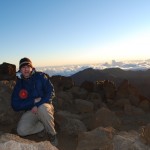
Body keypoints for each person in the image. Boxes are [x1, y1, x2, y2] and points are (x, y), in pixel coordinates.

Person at [11, 57, 58, 146]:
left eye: (28, 66)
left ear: (32, 68)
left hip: (45, 107)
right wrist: (33, 102)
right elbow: (15, 105)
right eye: (23, 67)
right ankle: (43, 126)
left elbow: (51, 92)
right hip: (31, 111)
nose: (26, 69)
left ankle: (52, 134)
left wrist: (38, 104)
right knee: (21, 130)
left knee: (42, 108)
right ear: (20, 70)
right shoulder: (19, 84)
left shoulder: (41, 77)